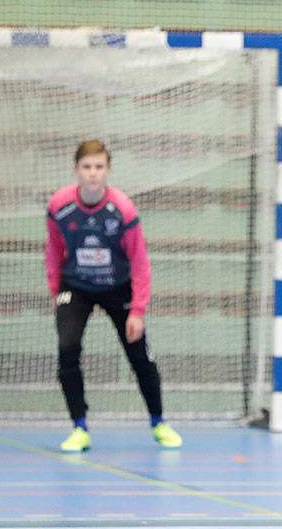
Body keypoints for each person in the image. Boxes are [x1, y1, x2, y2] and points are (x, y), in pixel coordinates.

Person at [45, 140, 181, 452]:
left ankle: (159, 422)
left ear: (108, 170)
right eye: (86, 167)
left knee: (139, 356)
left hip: (117, 286)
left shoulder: (122, 209)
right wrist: (56, 292)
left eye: (98, 167)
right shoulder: (59, 206)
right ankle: (79, 428)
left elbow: (140, 261)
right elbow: (53, 250)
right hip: (75, 286)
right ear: (76, 169)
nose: (92, 174)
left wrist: (138, 310)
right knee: (67, 348)